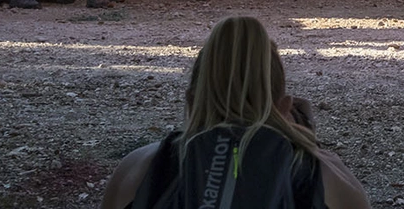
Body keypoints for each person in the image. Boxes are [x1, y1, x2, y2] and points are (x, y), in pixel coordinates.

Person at [100, 16, 370, 209]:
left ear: (192, 101)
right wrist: (307, 142)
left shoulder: (138, 169)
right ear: (285, 105)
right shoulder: (327, 178)